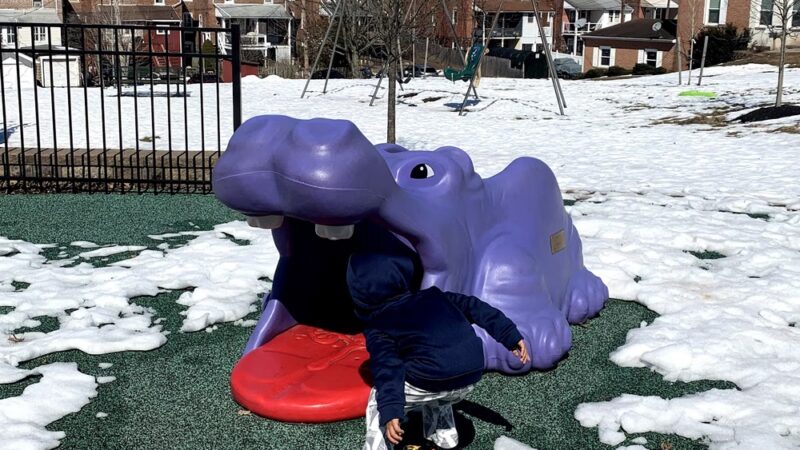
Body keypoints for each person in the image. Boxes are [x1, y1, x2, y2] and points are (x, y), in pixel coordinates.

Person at [347, 253, 529, 450]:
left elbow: (388, 366)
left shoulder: (379, 324)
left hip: (432, 379)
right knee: (437, 383)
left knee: (378, 399)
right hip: (472, 372)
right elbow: (475, 306)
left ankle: (377, 447)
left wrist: (391, 411)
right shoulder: (436, 296)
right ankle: (445, 436)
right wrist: (510, 336)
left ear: (359, 294)